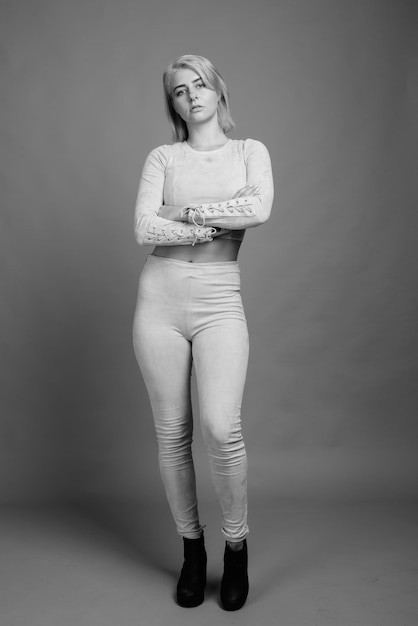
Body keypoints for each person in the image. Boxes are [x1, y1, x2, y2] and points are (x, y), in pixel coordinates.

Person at [132, 54, 274, 611]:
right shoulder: (162, 156)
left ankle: (235, 547)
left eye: (199, 85)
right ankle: (193, 551)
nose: (191, 96)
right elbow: (144, 226)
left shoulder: (249, 152)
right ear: (172, 104)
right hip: (158, 300)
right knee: (173, 436)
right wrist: (220, 213)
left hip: (219, 299)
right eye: (178, 91)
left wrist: (184, 212)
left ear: (217, 91)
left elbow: (258, 208)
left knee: (221, 426)